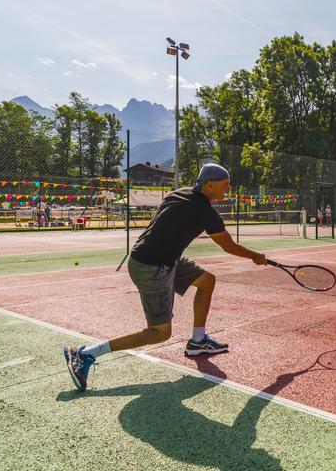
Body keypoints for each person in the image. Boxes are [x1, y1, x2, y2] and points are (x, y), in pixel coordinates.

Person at [63, 163, 268, 392]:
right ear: (209, 184)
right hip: (151, 266)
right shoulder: (205, 212)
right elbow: (228, 245)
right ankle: (84, 354)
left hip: (162, 259)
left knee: (207, 281)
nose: (228, 189)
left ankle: (198, 341)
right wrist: (255, 256)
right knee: (160, 333)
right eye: (225, 185)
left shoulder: (178, 193)